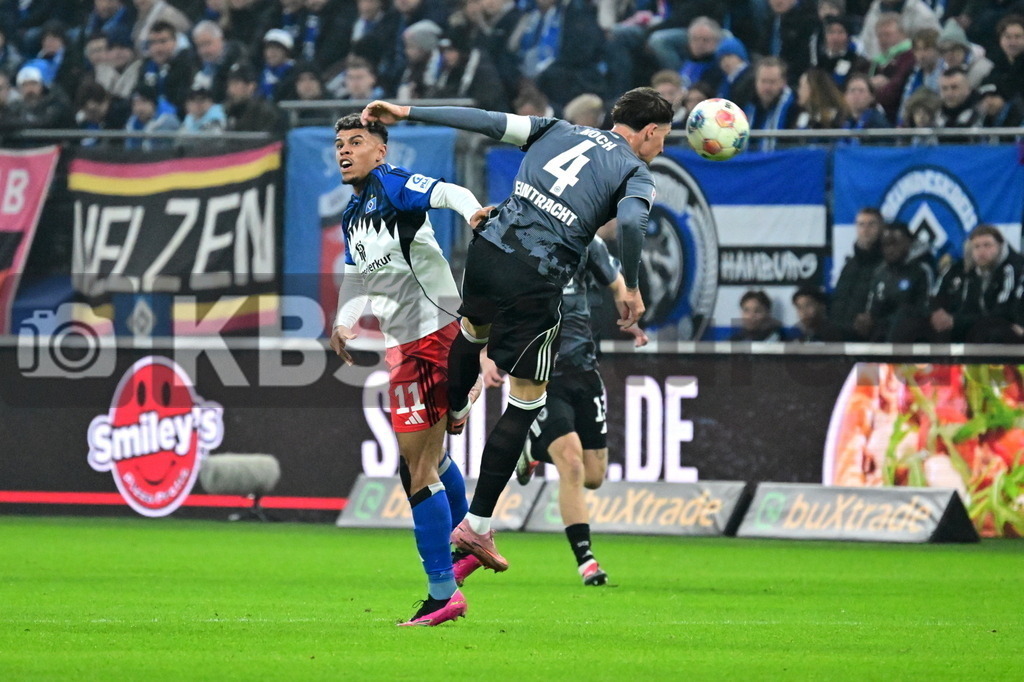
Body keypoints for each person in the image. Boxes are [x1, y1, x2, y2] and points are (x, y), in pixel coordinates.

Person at [360, 86, 672, 573]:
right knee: (527, 401)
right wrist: (630, 285)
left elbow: (485, 120)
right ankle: (478, 526)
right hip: (538, 274)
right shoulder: (636, 171)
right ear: (649, 131)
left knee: (472, 330)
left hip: (489, 246)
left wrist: (407, 111)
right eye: (663, 139)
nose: (661, 149)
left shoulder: (559, 129)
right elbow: (632, 223)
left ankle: (458, 400)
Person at [328, 112, 489, 627]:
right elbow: (356, 276)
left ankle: (445, 592)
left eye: (356, 141)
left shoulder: (394, 185)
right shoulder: (353, 215)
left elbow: (451, 193)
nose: (345, 151)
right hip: (405, 347)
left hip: (435, 336)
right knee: (427, 464)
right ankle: (467, 545)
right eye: (339, 144)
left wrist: (473, 215)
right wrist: (345, 321)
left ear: (380, 150)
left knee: (417, 470)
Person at [510, 236, 649, 587]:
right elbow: (493, 301)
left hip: (585, 372)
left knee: (593, 475)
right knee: (571, 464)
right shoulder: (519, 243)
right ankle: (586, 561)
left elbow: (617, 285)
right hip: (542, 375)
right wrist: (486, 354)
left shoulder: (588, 243)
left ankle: (534, 447)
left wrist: (629, 316)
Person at [930, 225, 1024, 343]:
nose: (982, 251)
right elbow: (968, 308)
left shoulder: (1012, 268)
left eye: (987, 245)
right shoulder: (971, 272)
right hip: (981, 325)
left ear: (1000, 246)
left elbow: (1002, 312)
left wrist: (958, 321)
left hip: (1008, 326)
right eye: (977, 247)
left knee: (990, 332)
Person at [855, 221, 934, 342]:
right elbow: (872, 308)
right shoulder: (880, 273)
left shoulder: (922, 270)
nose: (889, 249)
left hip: (913, 333)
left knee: (903, 318)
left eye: (894, 244)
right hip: (882, 329)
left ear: (908, 243)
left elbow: (925, 309)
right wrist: (867, 319)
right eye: (885, 245)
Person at [832, 207, 884, 338]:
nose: (865, 230)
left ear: (882, 227)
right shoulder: (849, 265)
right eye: (861, 224)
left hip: (872, 336)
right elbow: (839, 298)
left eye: (871, 224)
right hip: (841, 334)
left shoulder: (887, 264)